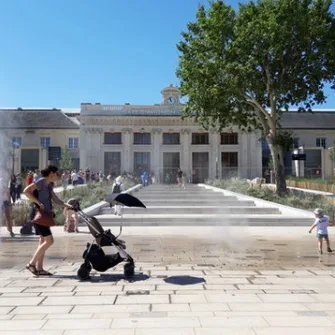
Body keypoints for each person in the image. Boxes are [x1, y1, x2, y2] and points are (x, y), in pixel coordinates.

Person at [24, 165, 73, 276]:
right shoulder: (41, 182)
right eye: (57, 174)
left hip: (45, 215)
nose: (58, 176)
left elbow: (56, 200)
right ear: (51, 173)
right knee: (49, 241)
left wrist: (68, 205)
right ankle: (31, 264)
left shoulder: (49, 185)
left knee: (43, 241)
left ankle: (40, 268)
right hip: (38, 215)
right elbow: (26, 191)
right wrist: (38, 202)